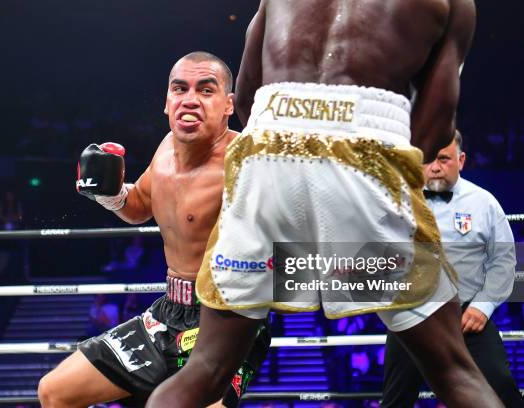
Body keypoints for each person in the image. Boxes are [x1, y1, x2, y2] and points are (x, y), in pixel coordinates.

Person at [147, 1, 504, 407]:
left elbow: (245, 97)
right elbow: (437, 124)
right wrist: (369, 162)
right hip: (367, 152)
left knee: (205, 369)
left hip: (267, 150)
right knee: (453, 371)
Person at [37, 52, 270, 408]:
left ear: (228, 105)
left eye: (206, 90)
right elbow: (140, 206)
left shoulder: (247, 162)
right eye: (180, 88)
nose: (190, 99)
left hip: (225, 321)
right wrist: (112, 194)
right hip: (167, 313)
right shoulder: (165, 149)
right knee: (55, 393)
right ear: (167, 102)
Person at [382, 131, 521, 407]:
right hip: (411, 315)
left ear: (461, 160)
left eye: (443, 159)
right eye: (428, 159)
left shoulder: (483, 203)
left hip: (467, 316)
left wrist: (484, 305)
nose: (434, 166)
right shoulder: (395, 202)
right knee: (395, 400)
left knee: (501, 386)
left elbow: (504, 260)